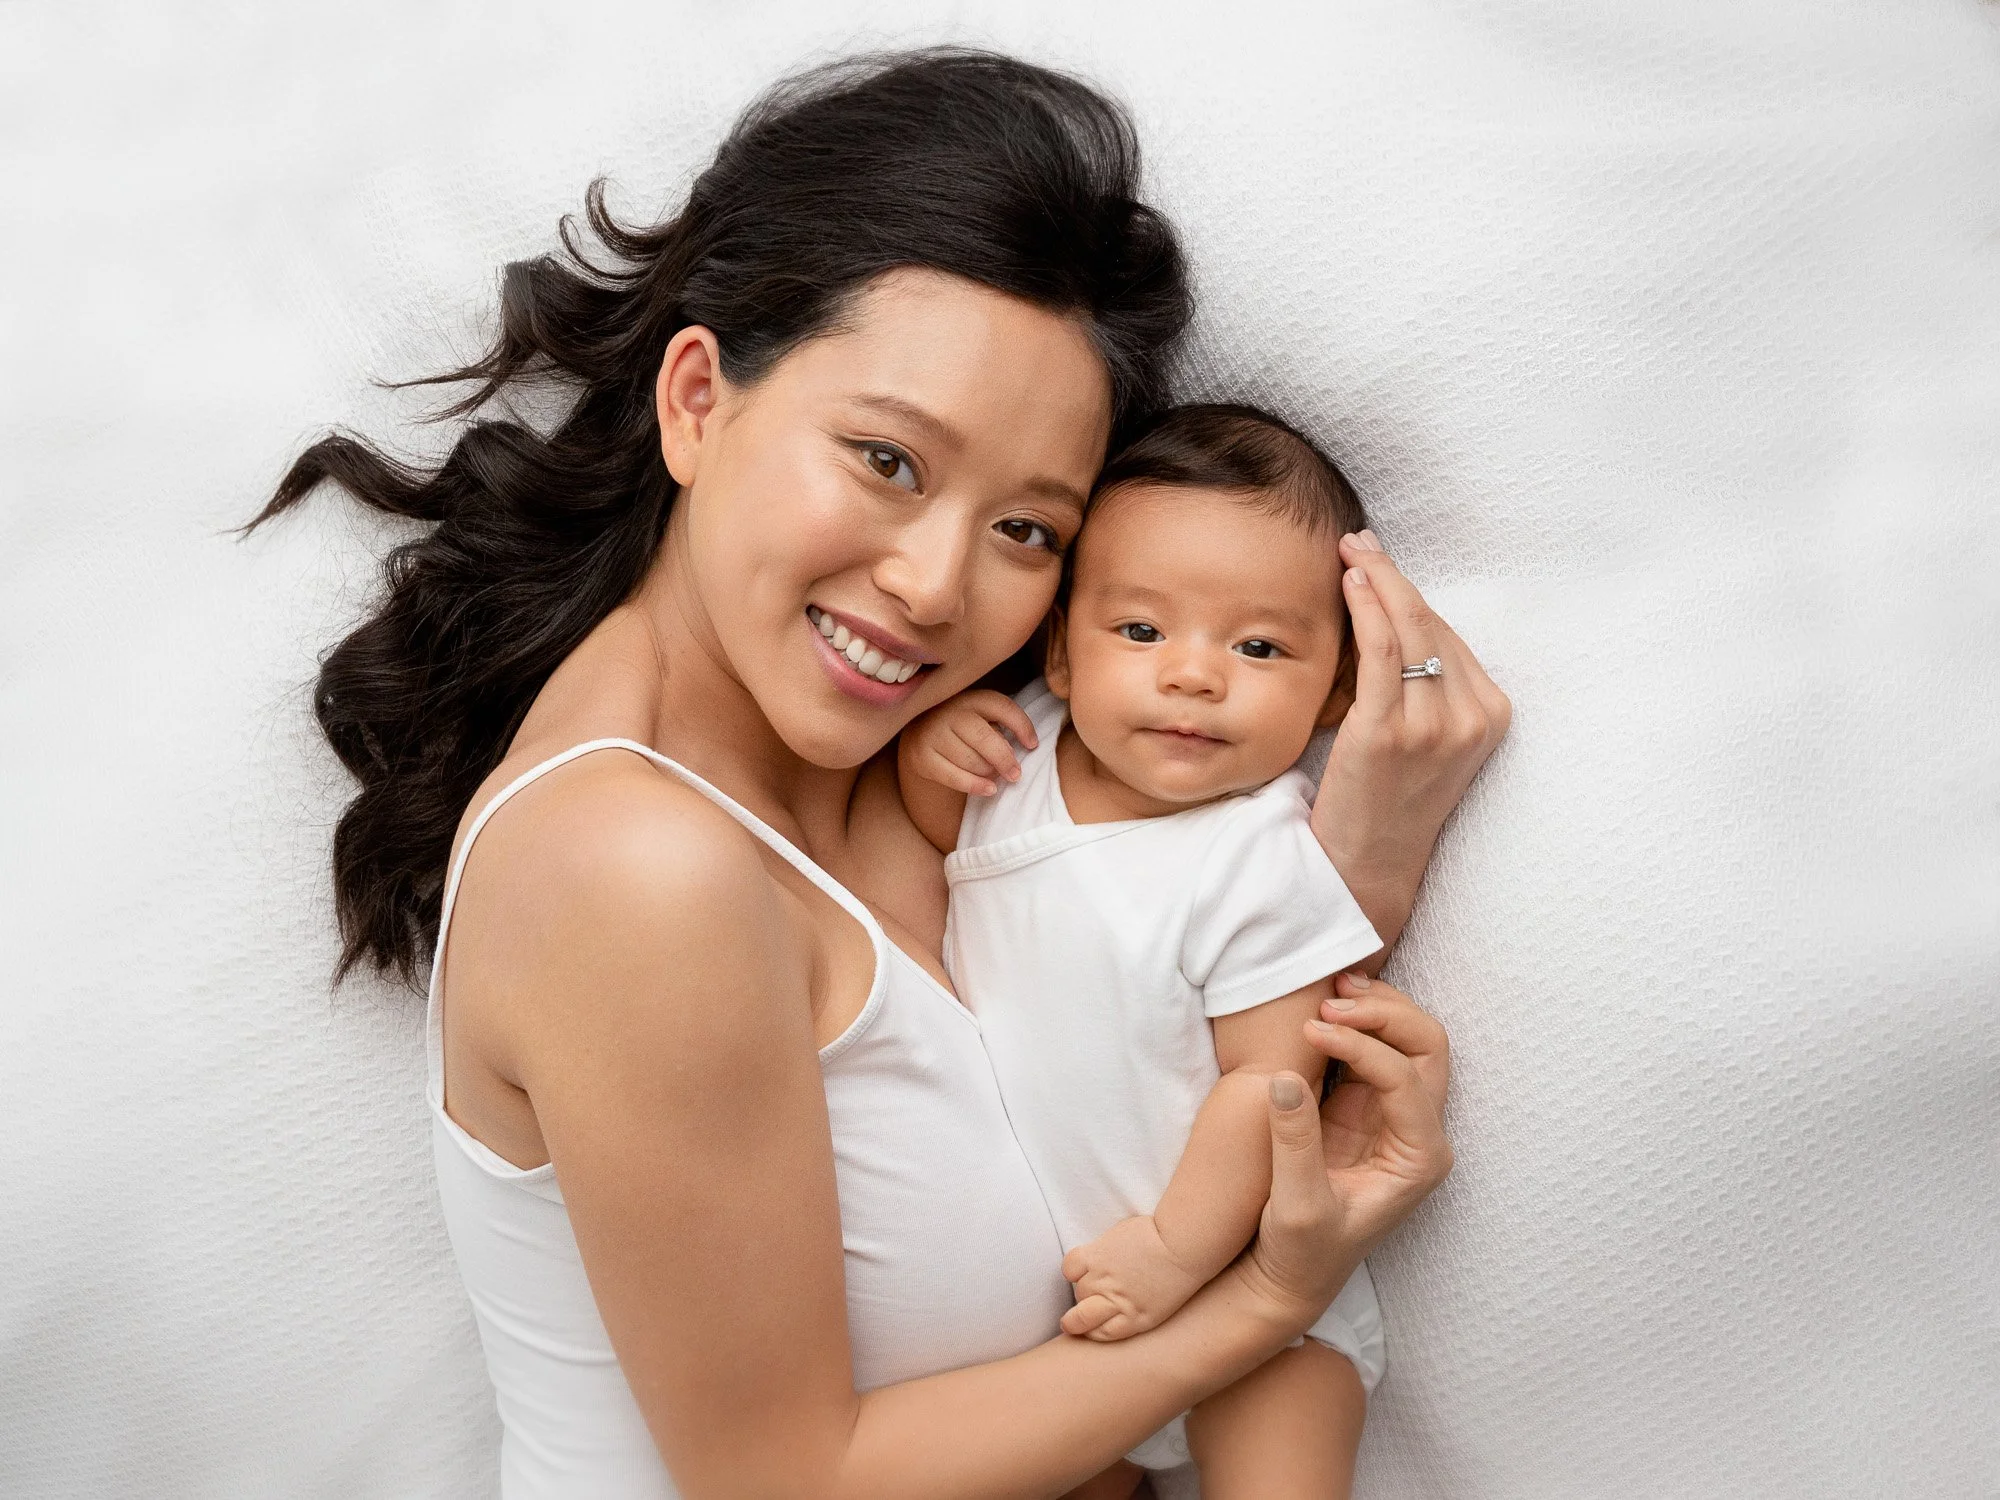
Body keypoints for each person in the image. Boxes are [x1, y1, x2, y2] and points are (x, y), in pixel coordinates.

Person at [251, 48, 1508, 1499]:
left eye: (1026, 531)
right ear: (698, 401)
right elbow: (786, 1479)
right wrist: (1272, 1303)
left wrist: (1360, 857)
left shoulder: (924, 782)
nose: (932, 587)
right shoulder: (634, 869)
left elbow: (1153, 1043)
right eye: (887, 461)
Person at [898, 403, 1394, 1497]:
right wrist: (930, 749)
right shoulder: (1018, 752)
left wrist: (1174, 1251)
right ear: (1060, 652)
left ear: (1335, 691)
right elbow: (936, 840)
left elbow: (1269, 1086)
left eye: (1258, 647)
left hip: (1247, 1303)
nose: (1193, 676)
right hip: (1079, 1325)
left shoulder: (1260, 861)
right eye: (1139, 631)